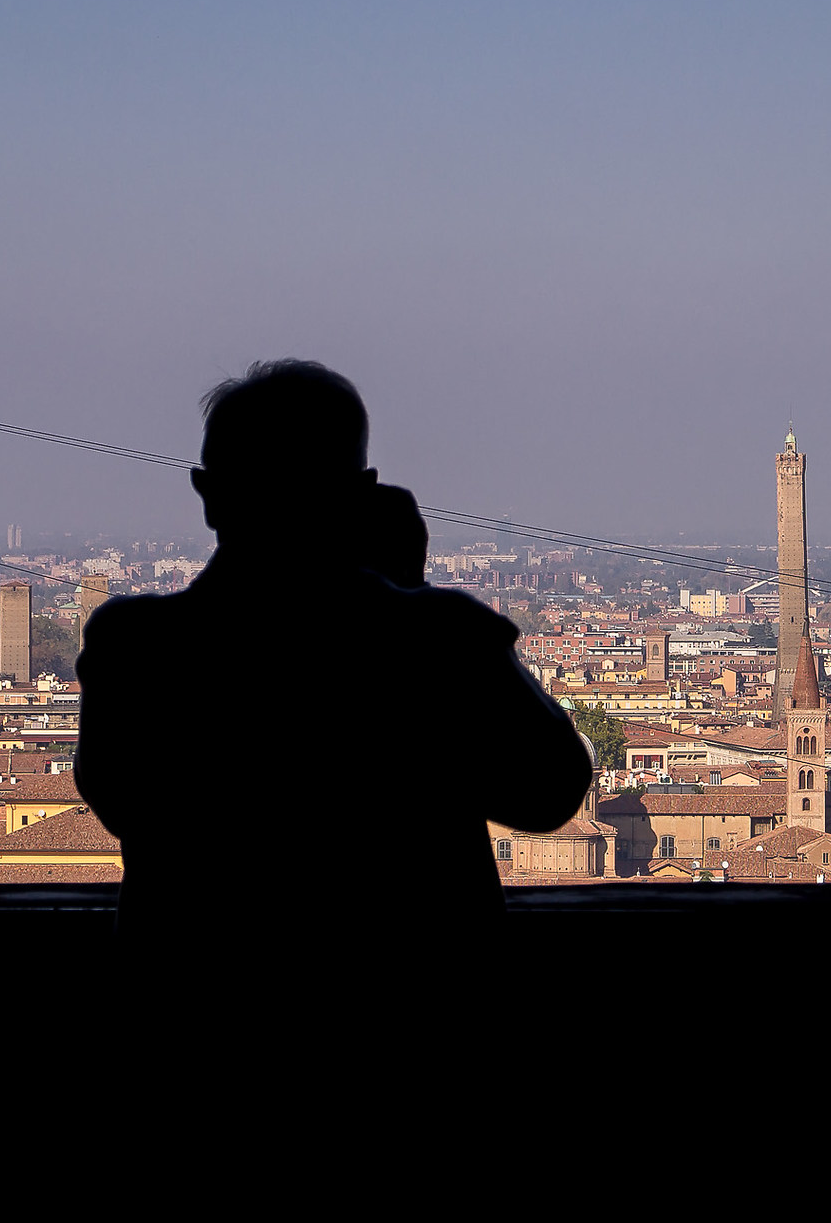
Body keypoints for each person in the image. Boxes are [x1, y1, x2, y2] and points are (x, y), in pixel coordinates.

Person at [74, 360, 592, 959]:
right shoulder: (440, 639)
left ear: (209, 494)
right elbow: (550, 791)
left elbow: (124, 804)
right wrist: (405, 593)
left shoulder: (135, 648)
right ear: (361, 495)